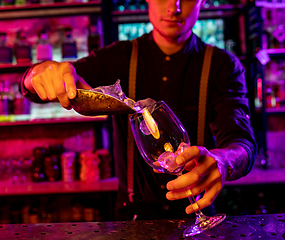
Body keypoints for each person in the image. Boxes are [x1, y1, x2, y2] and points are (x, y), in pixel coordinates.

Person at [20, 0, 257, 220]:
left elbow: (242, 144)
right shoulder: (118, 57)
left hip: (198, 211)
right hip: (132, 219)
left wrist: (224, 161)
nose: (173, 7)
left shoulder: (223, 66)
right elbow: (53, 82)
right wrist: (38, 74)